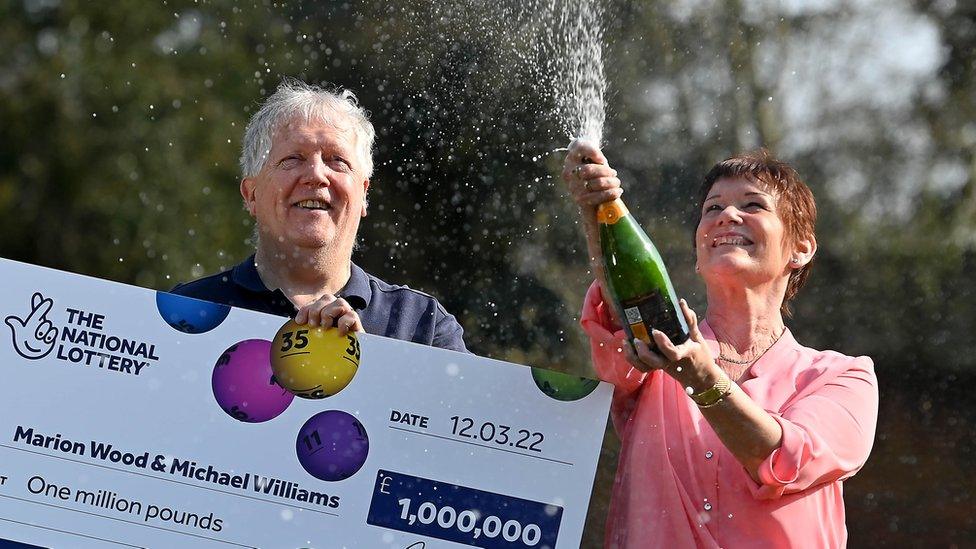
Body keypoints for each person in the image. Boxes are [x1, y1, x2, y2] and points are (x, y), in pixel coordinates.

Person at [562, 142, 878, 548]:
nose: (727, 215)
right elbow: (620, 307)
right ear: (699, 251)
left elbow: (783, 460)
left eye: (753, 205)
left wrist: (701, 377)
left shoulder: (844, 377)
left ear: (801, 248)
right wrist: (598, 210)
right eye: (713, 208)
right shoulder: (656, 353)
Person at [173, 79, 466, 352]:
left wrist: (370, 365)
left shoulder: (423, 327)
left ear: (364, 194)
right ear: (251, 194)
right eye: (292, 159)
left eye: (336, 160)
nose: (316, 175)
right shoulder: (185, 312)